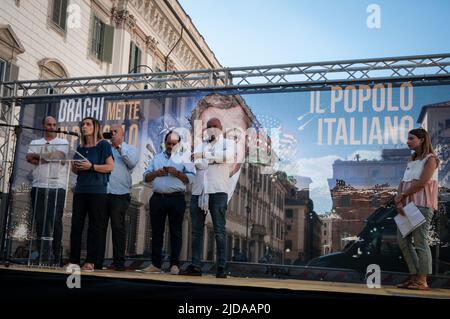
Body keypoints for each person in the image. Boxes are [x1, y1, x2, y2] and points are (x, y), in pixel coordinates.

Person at [181, 118, 234, 278]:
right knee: (196, 231)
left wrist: (205, 155)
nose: (211, 129)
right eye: (209, 127)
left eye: (214, 126)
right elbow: (197, 164)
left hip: (217, 191)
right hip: (199, 192)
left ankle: (221, 267)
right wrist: (211, 159)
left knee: (219, 231)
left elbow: (228, 157)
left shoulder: (227, 143)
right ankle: (196, 266)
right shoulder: (200, 144)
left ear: (221, 128)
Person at [140, 130, 195, 275]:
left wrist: (176, 172)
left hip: (176, 198)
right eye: (168, 143)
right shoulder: (157, 158)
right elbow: (146, 177)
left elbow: (191, 178)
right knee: (156, 232)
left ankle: (174, 264)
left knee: (176, 232)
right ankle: (155, 265)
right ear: (165, 143)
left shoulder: (185, 158)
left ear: (179, 144)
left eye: (174, 144)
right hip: (157, 198)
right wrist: (156, 173)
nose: (171, 146)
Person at [67, 117, 114, 272]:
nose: (84, 127)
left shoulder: (103, 145)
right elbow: (75, 170)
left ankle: (91, 261)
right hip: (80, 190)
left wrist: (91, 166)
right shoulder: (79, 146)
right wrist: (76, 167)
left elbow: (110, 167)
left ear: (95, 127)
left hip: (97, 192)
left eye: (88, 124)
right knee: (76, 226)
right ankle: (73, 260)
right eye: (82, 124)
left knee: (94, 227)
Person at [395, 128, 439, 290]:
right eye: (408, 138)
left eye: (411, 138)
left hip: (421, 205)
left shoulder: (431, 159)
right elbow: (403, 182)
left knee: (420, 242)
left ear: (421, 140)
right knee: (403, 240)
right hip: (407, 206)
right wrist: (399, 199)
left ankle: (422, 280)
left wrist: (402, 195)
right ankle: (414, 277)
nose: (408, 141)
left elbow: (422, 182)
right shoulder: (412, 159)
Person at [26, 116, 68, 265]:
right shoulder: (35, 142)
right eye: (49, 124)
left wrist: (40, 157)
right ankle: (43, 255)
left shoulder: (63, 142)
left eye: (54, 125)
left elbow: (59, 156)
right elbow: (29, 158)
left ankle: (56, 255)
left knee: (55, 221)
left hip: (57, 187)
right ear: (43, 125)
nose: (52, 127)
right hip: (39, 186)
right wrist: (49, 157)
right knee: (39, 221)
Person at [98, 124, 139, 271]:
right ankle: (97, 261)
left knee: (118, 227)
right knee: (99, 227)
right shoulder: (103, 148)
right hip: (102, 192)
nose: (113, 134)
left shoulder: (131, 149)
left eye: (116, 132)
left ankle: (119, 262)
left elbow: (132, 163)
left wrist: (119, 147)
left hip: (120, 194)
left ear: (123, 135)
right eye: (111, 132)